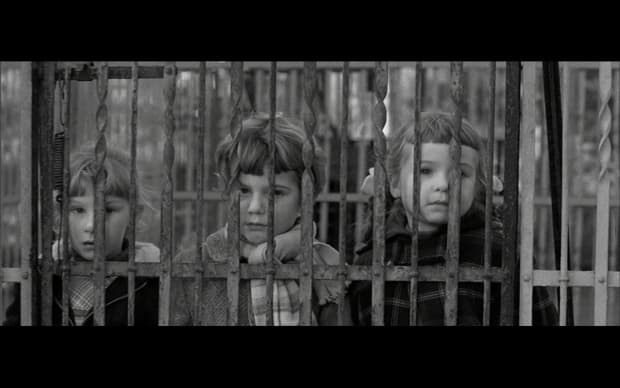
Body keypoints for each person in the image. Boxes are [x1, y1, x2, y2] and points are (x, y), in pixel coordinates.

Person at [349, 112, 558, 325]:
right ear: (394, 184)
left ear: (477, 186)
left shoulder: (498, 252)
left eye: (460, 173)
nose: (444, 184)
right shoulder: (375, 257)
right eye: (425, 170)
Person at [171, 113, 351, 325]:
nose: (256, 207)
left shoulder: (325, 267)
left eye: (275, 193)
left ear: (305, 200)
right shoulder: (192, 266)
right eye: (244, 190)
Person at [3, 143, 160, 326]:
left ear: (134, 215)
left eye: (108, 210)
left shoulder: (153, 278)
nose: (91, 225)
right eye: (78, 210)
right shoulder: (40, 273)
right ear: (61, 213)